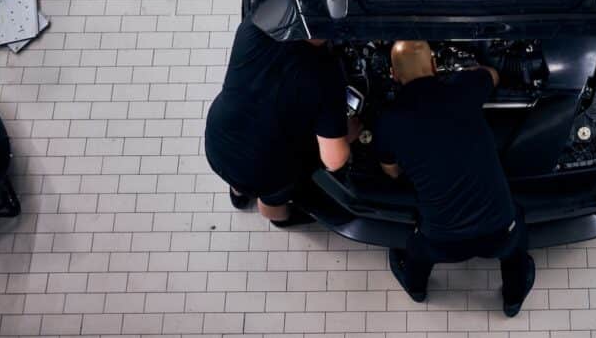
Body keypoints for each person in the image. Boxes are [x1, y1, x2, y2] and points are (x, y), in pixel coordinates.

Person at [377, 41, 536, 317]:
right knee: (517, 237)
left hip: (441, 240)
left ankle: (416, 288)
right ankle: (513, 299)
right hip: (499, 231)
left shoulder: (388, 121)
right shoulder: (464, 88)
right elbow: (494, 75)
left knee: (416, 249)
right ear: (435, 66)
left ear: (393, 74)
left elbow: (391, 171)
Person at [205, 20, 356, 226]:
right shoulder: (326, 76)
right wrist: (348, 130)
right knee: (272, 198)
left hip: (218, 142)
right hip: (267, 169)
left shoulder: (253, 27)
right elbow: (334, 160)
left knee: (237, 173)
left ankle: (238, 193)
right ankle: (279, 218)